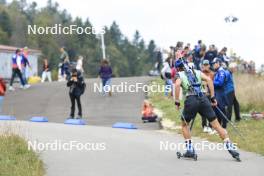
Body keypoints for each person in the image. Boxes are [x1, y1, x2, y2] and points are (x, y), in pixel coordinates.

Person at [174, 59, 240, 160]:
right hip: (203, 99)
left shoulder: (180, 74)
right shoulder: (196, 71)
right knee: (216, 125)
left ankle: (190, 149)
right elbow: (209, 80)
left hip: (191, 99)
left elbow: (177, 85)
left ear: (178, 68)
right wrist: (213, 97)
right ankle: (230, 146)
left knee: (184, 124)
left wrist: (177, 101)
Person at [212, 58, 229, 129]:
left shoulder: (221, 71)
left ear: (218, 63)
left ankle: (224, 127)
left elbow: (220, 83)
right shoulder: (217, 72)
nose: (213, 65)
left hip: (220, 93)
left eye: (214, 63)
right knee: (216, 110)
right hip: (217, 93)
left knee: (221, 110)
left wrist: (211, 82)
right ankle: (219, 127)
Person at [201, 60, 215, 133]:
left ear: (209, 65)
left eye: (207, 65)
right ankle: (204, 126)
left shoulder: (212, 74)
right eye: (204, 65)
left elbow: (213, 84)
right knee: (203, 111)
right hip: (202, 94)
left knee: (210, 110)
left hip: (210, 94)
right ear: (202, 65)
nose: (206, 66)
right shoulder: (200, 73)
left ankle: (210, 125)